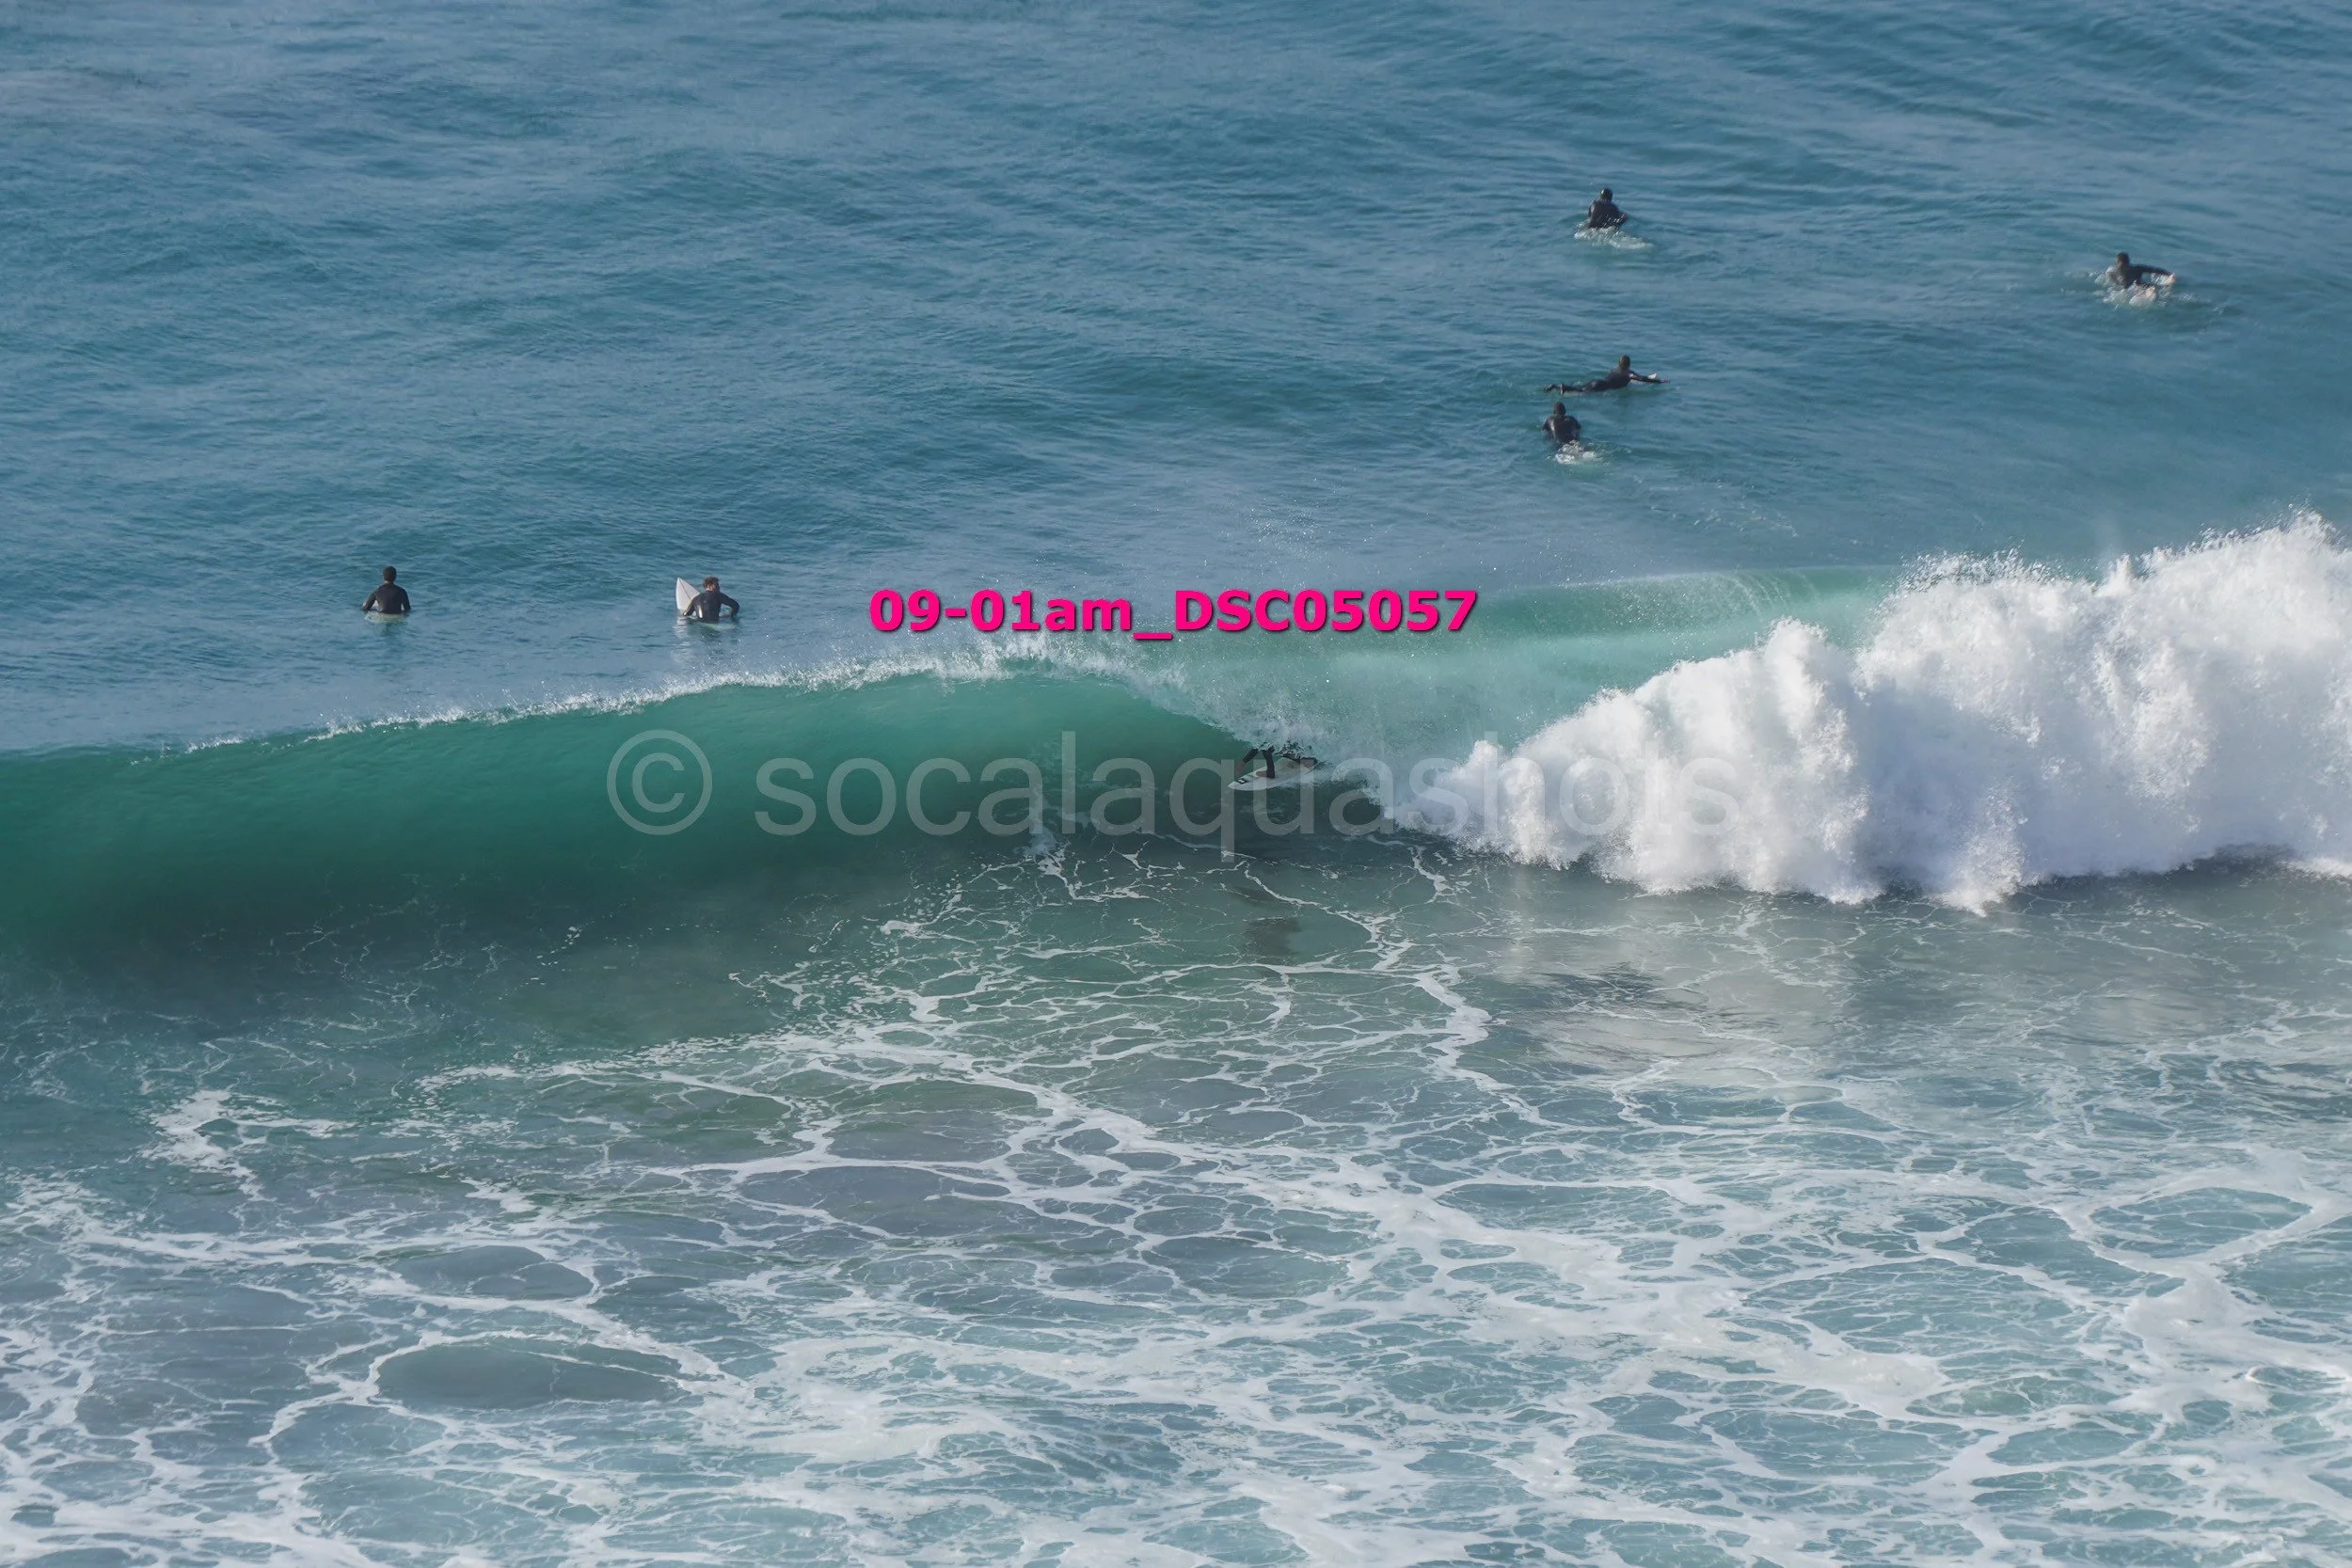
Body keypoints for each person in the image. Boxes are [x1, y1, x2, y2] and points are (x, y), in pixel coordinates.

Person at [1548, 356, 1665, 394]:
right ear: (1629, 365)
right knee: (1582, 392)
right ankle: (1563, 387)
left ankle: (1557, 386)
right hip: (1602, 386)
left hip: (1597, 381)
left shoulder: (1614, 370)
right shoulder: (1629, 373)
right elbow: (1642, 379)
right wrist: (1659, 381)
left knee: (1580, 388)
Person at [2106, 251, 2174, 289]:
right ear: (2129, 260)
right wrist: (2169, 274)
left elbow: (2112, 278)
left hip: (2126, 288)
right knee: (2148, 287)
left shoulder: (2115, 271)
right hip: (2140, 285)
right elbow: (2155, 270)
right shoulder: (2138, 268)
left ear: (2118, 261)